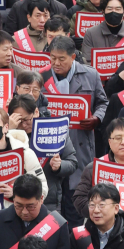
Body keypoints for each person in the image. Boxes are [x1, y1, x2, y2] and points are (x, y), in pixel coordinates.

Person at [42, 36, 109, 188]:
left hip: (80, 140)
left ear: (73, 57)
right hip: (49, 141)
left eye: (61, 59)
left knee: (77, 191)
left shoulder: (90, 75)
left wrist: (97, 118)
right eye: (53, 58)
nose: (56, 63)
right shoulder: (41, 76)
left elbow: (103, 103)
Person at [73, 120, 124, 219]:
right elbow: (79, 198)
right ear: (110, 142)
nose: (123, 142)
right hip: (101, 223)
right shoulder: (94, 167)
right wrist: (100, 213)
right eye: (118, 138)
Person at [0, 106, 48, 200]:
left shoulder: (24, 154)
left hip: (15, 211)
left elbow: (42, 189)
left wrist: (17, 193)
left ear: (6, 127)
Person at [81, 0, 124, 66]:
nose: (114, 12)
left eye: (118, 9)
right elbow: (87, 61)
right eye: (109, 9)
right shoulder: (91, 33)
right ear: (103, 12)